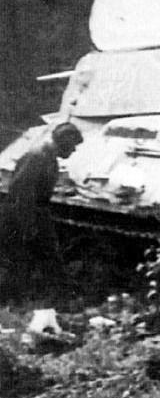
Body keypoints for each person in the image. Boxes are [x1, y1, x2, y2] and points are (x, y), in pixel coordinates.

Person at [0, 122, 83, 302]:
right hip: (22, 215)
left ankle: (57, 298)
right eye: (73, 145)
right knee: (17, 261)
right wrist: (28, 226)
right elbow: (21, 192)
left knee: (47, 257)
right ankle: (13, 302)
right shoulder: (38, 156)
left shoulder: (48, 158)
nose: (74, 150)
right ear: (64, 141)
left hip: (36, 213)